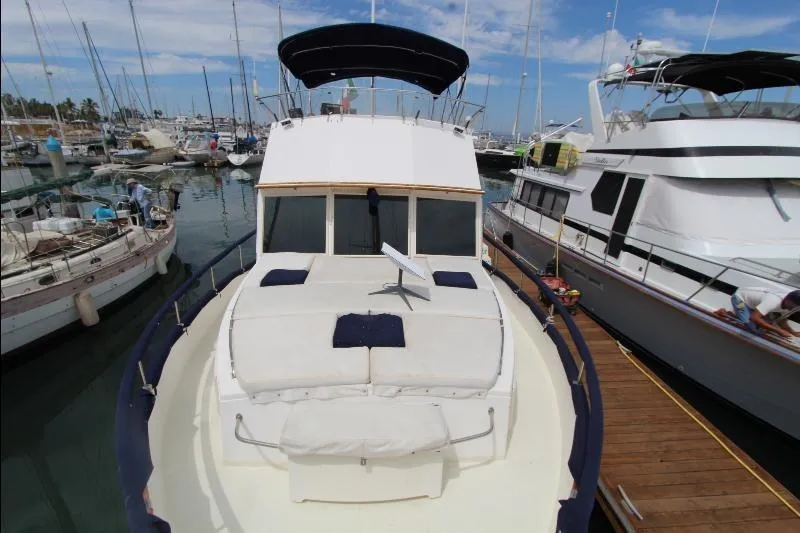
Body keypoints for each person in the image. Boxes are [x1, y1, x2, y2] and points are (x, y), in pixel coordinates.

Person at [729, 288, 800, 338]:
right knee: (752, 328)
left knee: (767, 324)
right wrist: (778, 331)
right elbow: (754, 318)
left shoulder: (790, 307)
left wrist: (793, 332)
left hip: (754, 305)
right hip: (740, 299)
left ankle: (743, 313)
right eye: (795, 306)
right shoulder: (773, 301)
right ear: (788, 300)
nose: (797, 309)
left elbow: (782, 321)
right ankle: (731, 313)